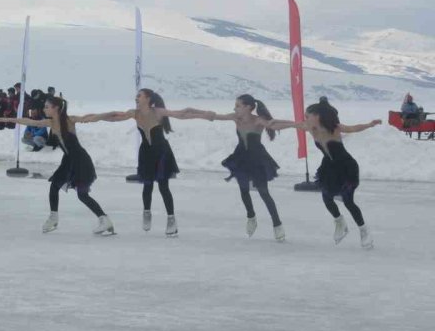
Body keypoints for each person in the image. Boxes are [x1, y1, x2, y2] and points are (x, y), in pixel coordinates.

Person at [81, 89, 210, 237]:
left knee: (163, 186)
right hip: (146, 153)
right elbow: (115, 117)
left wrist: (203, 114)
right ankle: (147, 212)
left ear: (148, 99)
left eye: (139, 96)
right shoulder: (135, 113)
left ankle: (171, 220)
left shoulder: (158, 112)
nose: (136, 98)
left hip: (161, 153)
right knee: (147, 185)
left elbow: (181, 114)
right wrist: (95, 117)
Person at [269, 97, 382, 248]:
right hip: (329, 167)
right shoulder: (310, 128)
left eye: (307, 116)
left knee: (348, 201)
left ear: (317, 116)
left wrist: (369, 124)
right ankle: (340, 222)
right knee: (326, 197)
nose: (305, 119)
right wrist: (272, 122)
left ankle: (364, 230)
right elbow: (290, 124)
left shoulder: (334, 128)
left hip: (346, 167)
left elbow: (354, 128)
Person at [0, 96, 115, 235]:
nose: (44, 109)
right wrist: (10, 119)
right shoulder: (50, 122)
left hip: (80, 160)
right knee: (54, 186)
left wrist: (109, 114)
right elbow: (30, 121)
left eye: (47, 107)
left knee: (82, 195)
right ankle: (53, 218)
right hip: (68, 160)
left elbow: (90, 117)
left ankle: (104, 219)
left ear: (56, 108)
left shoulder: (69, 120)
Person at [201, 95, 285, 241]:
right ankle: (251, 216)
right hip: (241, 157)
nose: (235, 108)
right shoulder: (236, 118)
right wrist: (207, 114)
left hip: (257, 158)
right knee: (244, 190)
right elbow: (218, 116)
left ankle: (277, 224)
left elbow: (273, 125)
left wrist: (297, 125)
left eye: (238, 106)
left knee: (264, 192)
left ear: (248, 107)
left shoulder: (258, 120)